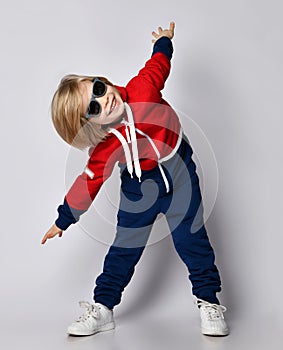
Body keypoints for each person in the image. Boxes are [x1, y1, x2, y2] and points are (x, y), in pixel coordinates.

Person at [41, 22, 229, 337]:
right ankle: (103, 307)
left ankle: (208, 300)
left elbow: (158, 64)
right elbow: (89, 182)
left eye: (98, 88)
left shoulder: (144, 89)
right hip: (138, 187)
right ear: (89, 127)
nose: (104, 100)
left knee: (190, 239)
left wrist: (164, 42)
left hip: (178, 173)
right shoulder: (105, 145)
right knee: (124, 247)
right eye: (93, 107)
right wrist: (65, 218)